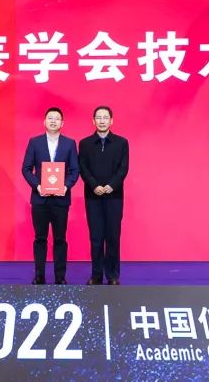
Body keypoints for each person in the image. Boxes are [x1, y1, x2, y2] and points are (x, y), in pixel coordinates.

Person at [21, 107, 79, 284]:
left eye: (57, 119)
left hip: (61, 199)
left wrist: (66, 187)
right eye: (50, 118)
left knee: (60, 239)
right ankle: (39, 275)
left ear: (62, 123)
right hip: (40, 198)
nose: (53, 121)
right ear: (44, 121)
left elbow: (75, 170)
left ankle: (60, 277)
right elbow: (26, 169)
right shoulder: (35, 142)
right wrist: (37, 186)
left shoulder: (69, 143)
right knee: (40, 238)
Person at [78, 106, 129, 285]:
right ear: (93, 121)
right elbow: (83, 168)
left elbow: (123, 168)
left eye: (105, 117)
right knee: (96, 237)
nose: (102, 121)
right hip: (93, 197)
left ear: (111, 121)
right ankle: (96, 275)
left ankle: (113, 275)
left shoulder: (121, 143)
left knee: (113, 237)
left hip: (114, 197)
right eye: (98, 118)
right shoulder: (85, 144)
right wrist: (94, 186)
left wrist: (110, 186)